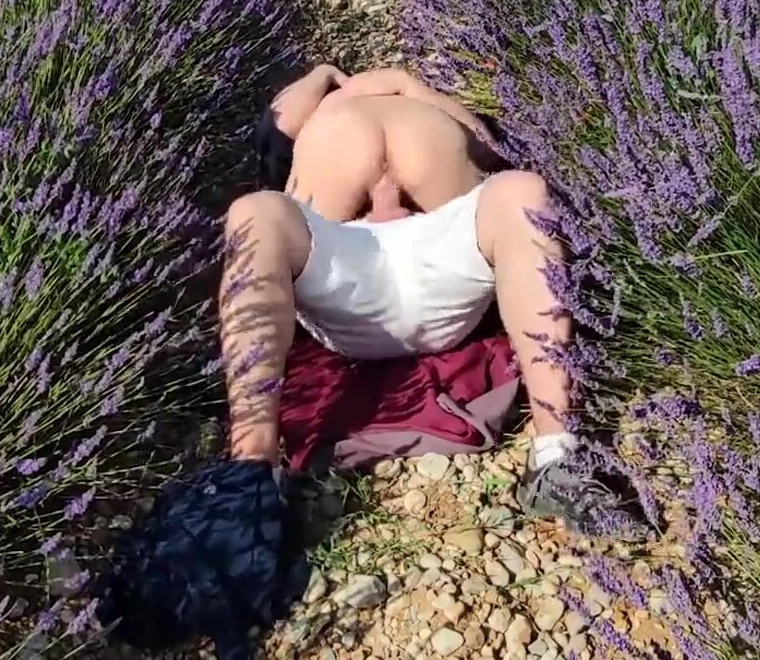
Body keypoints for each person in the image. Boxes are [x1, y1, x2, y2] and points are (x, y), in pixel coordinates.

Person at [217, 63, 629, 534]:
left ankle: (557, 456)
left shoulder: (414, 97)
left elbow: (491, 148)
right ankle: (253, 473)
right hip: (337, 261)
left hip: (448, 254)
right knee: (253, 214)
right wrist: (326, 74)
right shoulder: (318, 107)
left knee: (524, 190)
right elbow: (279, 122)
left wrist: (410, 86)